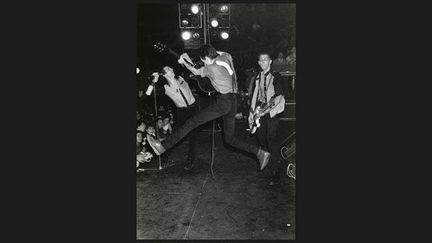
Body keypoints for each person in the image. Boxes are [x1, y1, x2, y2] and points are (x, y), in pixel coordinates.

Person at [146, 45, 271, 171]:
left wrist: (185, 62)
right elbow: (220, 52)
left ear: (207, 58)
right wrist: (189, 59)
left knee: (192, 122)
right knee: (229, 139)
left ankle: (162, 146)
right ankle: (260, 153)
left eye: (203, 60)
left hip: (223, 102)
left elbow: (196, 72)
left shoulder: (212, 68)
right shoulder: (225, 56)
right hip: (233, 101)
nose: (203, 63)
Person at [150, 66, 200, 170]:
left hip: (194, 108)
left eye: (171, 68)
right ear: (164, 75)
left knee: (193, 135)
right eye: (169, 69)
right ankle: (165, 156)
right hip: (182, 112)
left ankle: (191, 160)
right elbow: (149, 93)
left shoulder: (181, 78)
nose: (172, 69)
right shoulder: (165, 87)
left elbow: (193, 70)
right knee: (177, 134)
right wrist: (153, 81)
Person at [248, 52, 286, 185]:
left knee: (272, 140)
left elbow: (279, 96)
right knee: (261, 138)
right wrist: (251, 112)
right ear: (258, 62)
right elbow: (255, 95)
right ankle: (269, 159)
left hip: (272, 112)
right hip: (260, 110)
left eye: (265, 60)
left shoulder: (276, 76)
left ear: (270, 61)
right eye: (260, 60)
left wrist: (264, 112)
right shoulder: (258, 76)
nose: (263, 62)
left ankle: (275, 172)